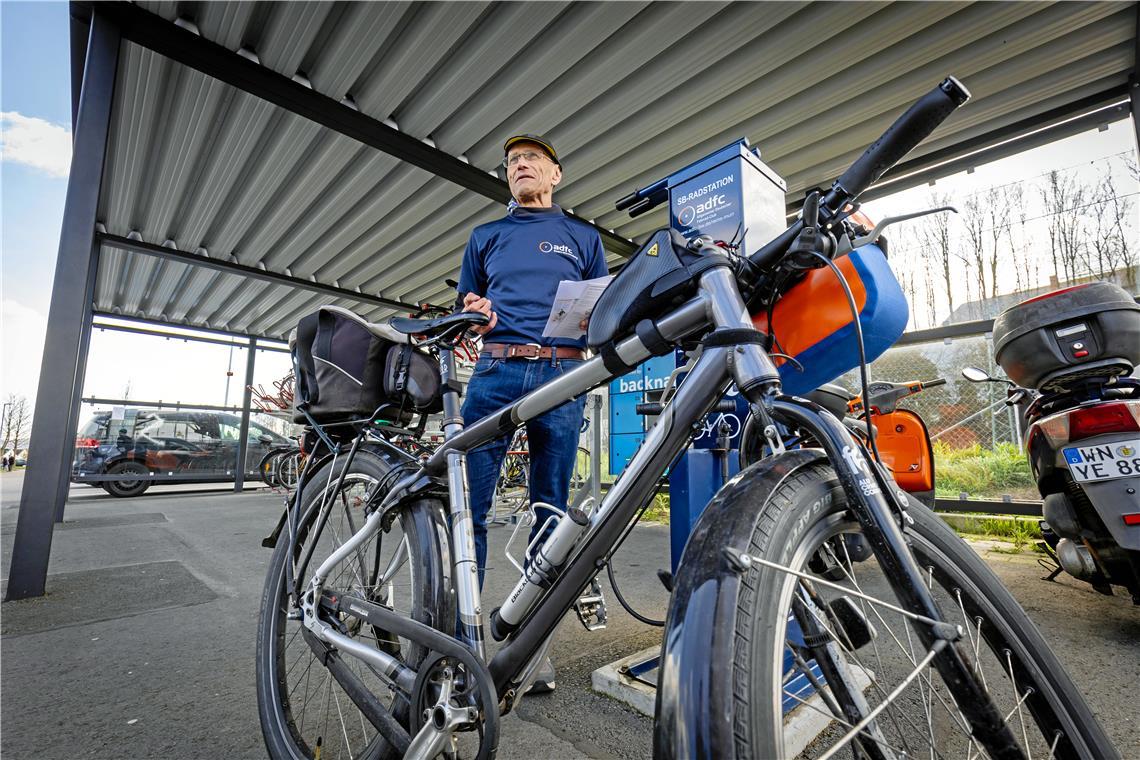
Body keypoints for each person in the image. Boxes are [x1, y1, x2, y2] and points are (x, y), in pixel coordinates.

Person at [459, 134, 608, 692]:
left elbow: (602, 312)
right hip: (495, 373)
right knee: (468, 507)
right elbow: (467, 309)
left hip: (562, 374)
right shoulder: (485, 236)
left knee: (551, 512)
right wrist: (474, 311)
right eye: (513, 163)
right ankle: (463, 640)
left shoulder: (582, 237)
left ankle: (531, 650)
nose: (520, 166)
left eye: (532, 161)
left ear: (555, 176)